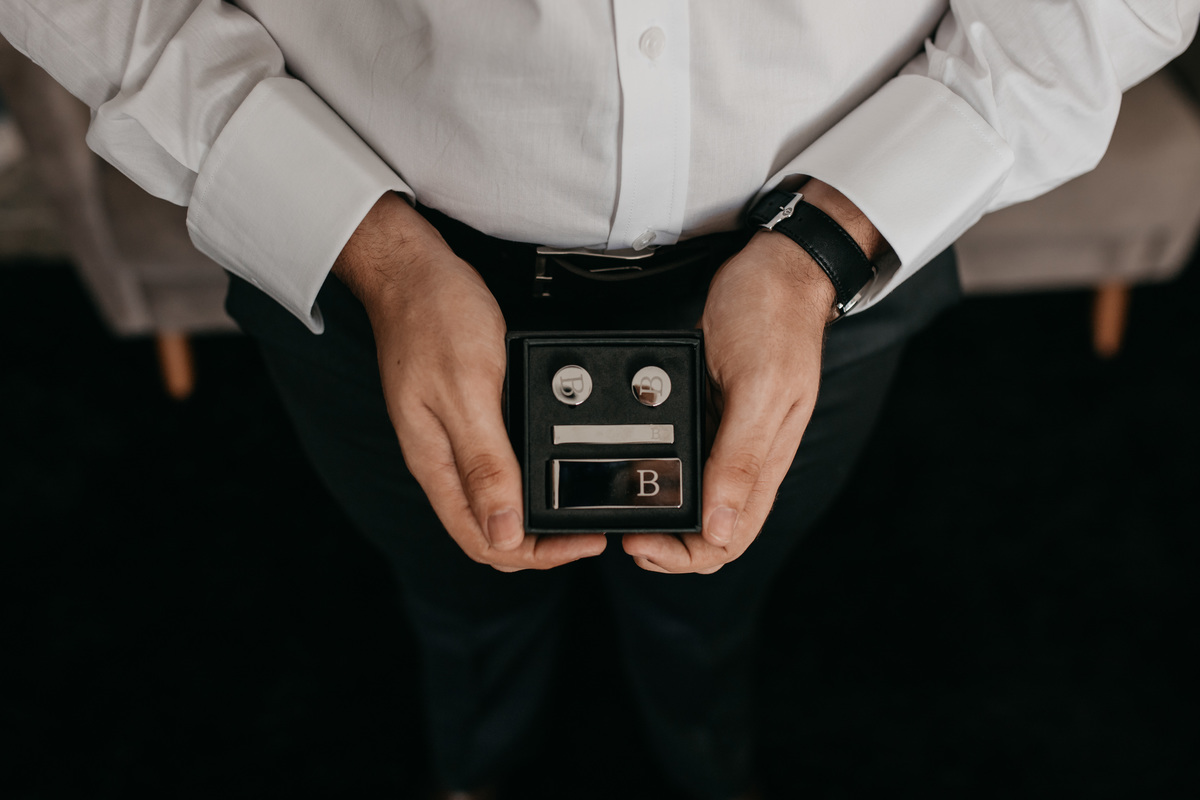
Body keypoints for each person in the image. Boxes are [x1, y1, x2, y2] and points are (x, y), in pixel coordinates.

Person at [3, 3, 1196, 798]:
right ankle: (481, 749)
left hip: (834, 248)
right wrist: (377, 253)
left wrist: (822, 251)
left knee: (724, 576)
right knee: (453, 581)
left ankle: (700, 729)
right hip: (373, 249)